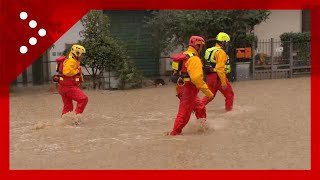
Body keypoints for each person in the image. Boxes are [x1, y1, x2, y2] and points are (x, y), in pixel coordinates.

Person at [168, 36, 214, 136]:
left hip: (181, 88)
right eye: (201, 46)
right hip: (188, 90)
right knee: (184, 114)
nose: (202, 48)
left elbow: (176, 73)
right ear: (197, 46)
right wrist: (209, 93)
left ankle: (202, 128)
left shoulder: (185, 55)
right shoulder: (194, 59)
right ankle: (174, 134)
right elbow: (197, 79)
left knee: (200, 107)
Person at [202, 32, 234, 111]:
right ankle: (229, 112)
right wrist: (223, 83)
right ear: (223, 42)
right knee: (229, 94)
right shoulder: (220, 52)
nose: (227, 44)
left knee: (210, 95)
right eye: (227, 42)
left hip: (210, 76)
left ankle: (196, 107)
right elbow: (220, 69)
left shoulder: (210, 50)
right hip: (218, 76)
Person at [57, 44, 88, 119]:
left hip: (63, 88)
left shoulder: (69, 60)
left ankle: (65, 122)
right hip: (68, 88)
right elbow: (67, 72)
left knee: (68, 108)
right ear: (77, 53)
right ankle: (76, 118)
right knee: (83, 99)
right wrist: (77, 71)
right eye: (82, 54)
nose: (83, 56)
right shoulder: (71, 61)